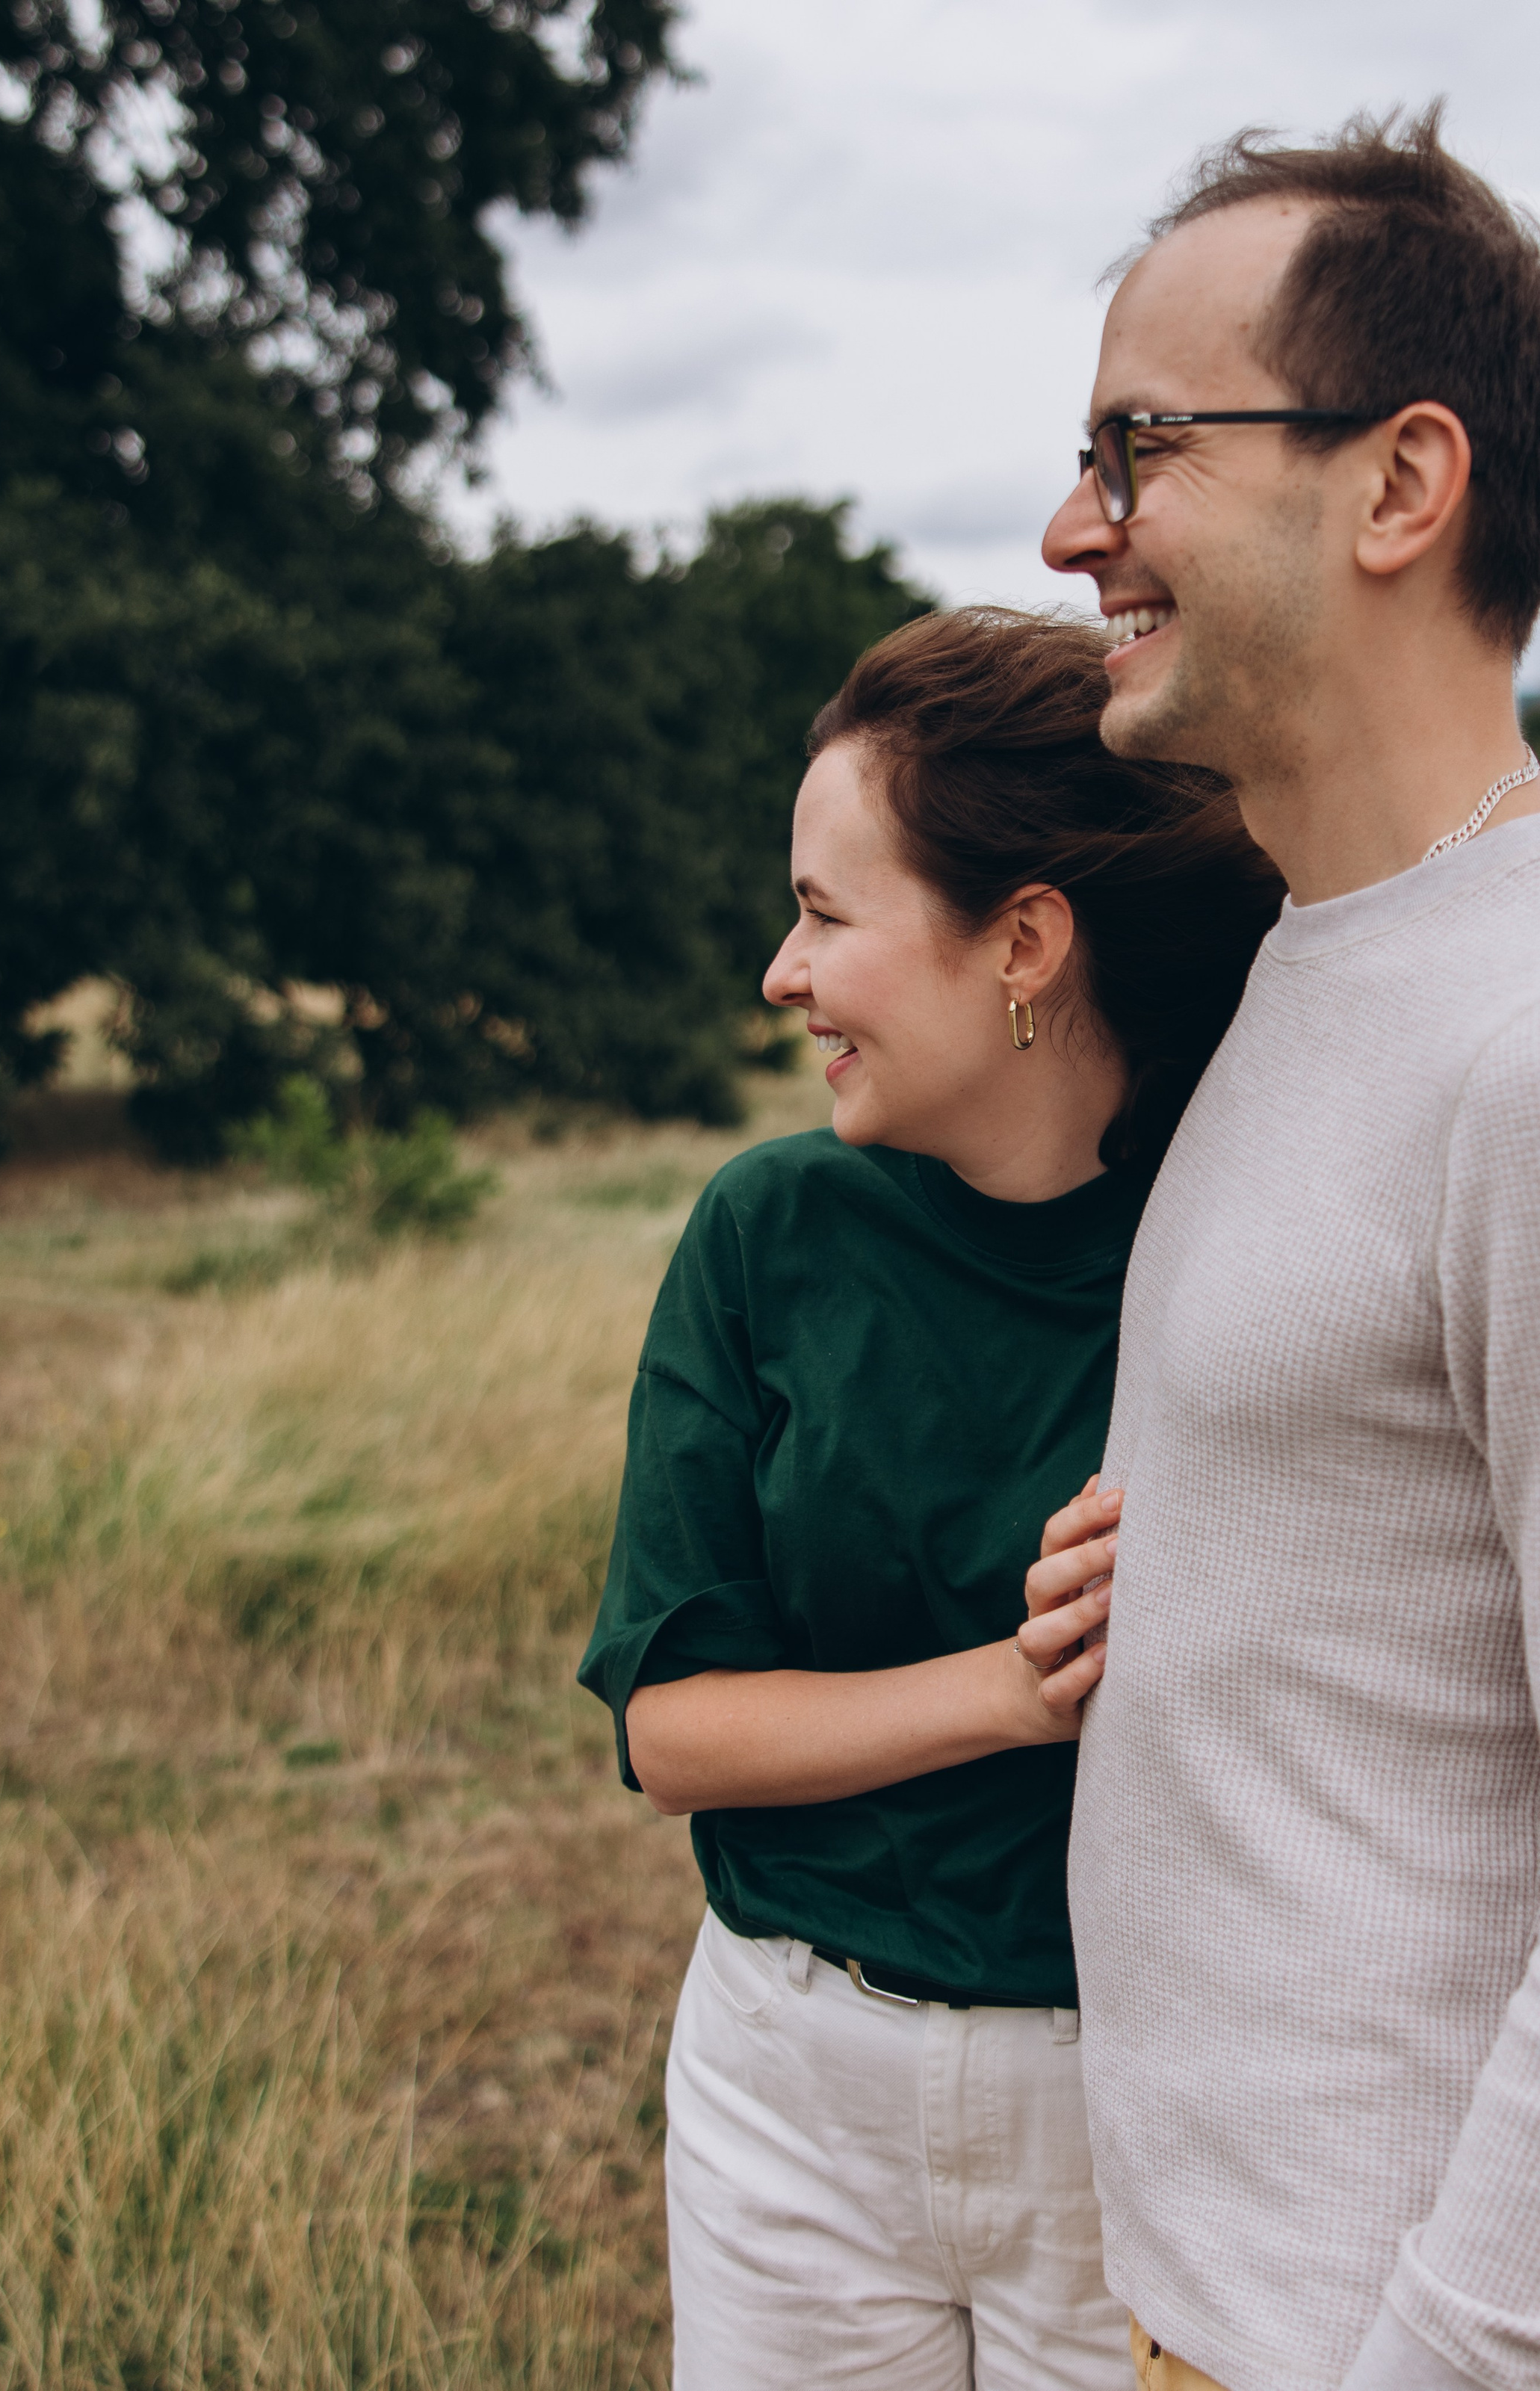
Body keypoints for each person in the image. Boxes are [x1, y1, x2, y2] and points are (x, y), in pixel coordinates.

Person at [578, 606, 1279, 2391]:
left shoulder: (1258, 1249)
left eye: (824, 912)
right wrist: (1014, 1684)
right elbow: (670, 1729)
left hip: (1138, 2108)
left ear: (1023, 944)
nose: (776, 971)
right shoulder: (767, 1233)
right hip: (786, 2086)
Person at [1031, 108, 1540, 2391]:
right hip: (1205, 2305)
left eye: (1136, 447)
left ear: (1399, 485)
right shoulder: (1316, 956)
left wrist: (1430, 2357)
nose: (1075, 529)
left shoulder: (1525, 1036)